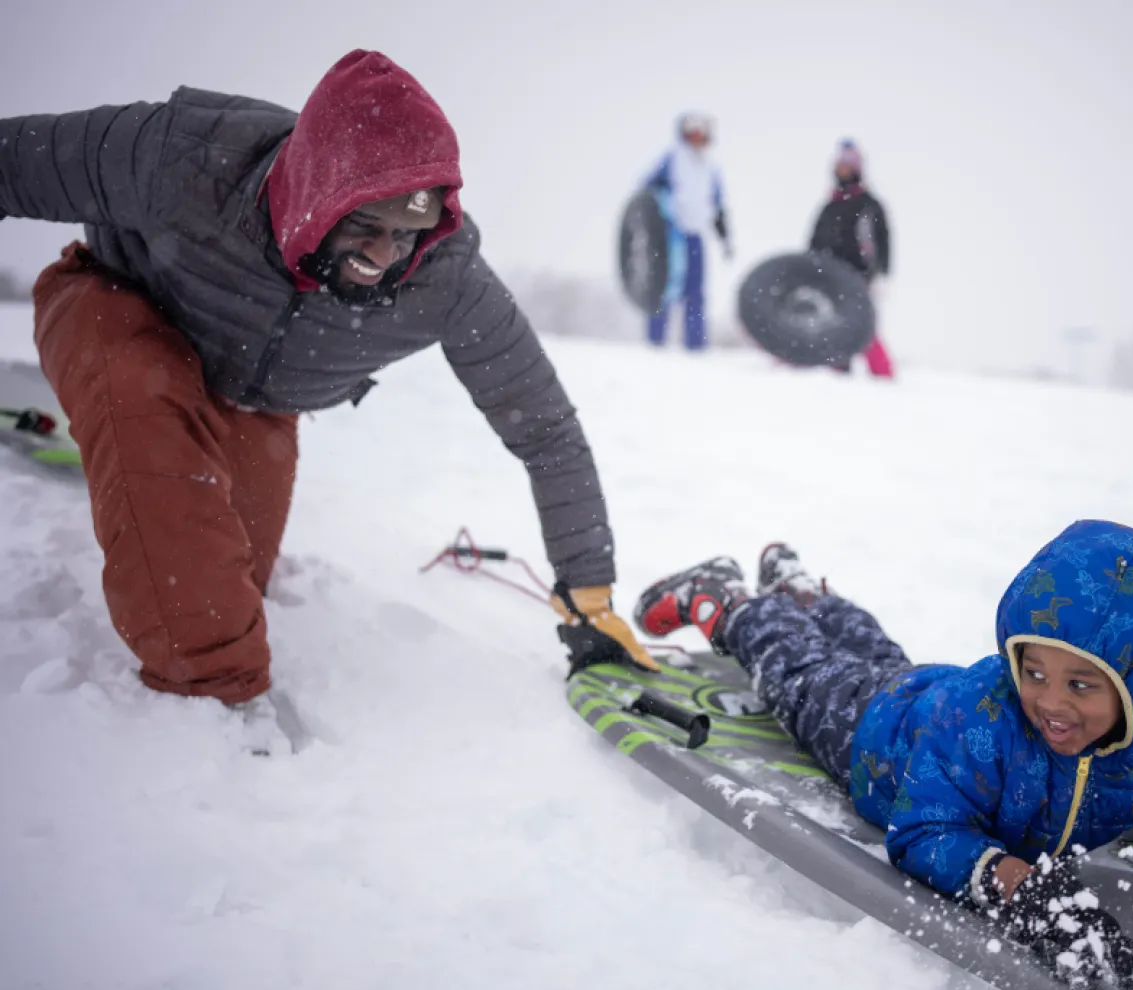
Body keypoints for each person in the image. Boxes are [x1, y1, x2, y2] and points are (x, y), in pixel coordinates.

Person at [0, 49, 655, 718]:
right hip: (118, 304)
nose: (382, 256)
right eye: (364, 227)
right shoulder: (187, 156)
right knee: (190, 597)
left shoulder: (446, 278)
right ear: (314, 190)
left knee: (233, 572)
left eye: (406, 234)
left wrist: (589, 596)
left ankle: (159, 456)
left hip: (251, 399)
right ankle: (214, 704)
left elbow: (545, 430)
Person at [631, 521, 1133, 987]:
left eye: (1082, 683)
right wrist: (1022, 888)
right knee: (800, 670)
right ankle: (726, 600)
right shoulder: (987, 719)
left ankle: (799, 586)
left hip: (926, 691)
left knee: (876, 651)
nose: (1050, 701)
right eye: (1033, 671)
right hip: (878, 737)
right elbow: (921, 833)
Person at [641, 112, 732, 350]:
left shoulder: (711, 167)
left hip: (695, 236)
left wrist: (725, 239)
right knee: (663, 287)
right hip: (670, 236)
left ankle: (695, 346)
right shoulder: (672, 159)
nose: (697, 136)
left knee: (696, 293)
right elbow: (646, 191)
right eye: (692, 131)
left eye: (701, 132)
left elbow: (717, 206)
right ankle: (655, 341)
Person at [809, 139, 894, 378]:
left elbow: (883, 241)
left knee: (863, 327)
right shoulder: (830, 206)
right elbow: (815, 241)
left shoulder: (869, 205)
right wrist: (809, 270)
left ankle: (883, 375)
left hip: (860, 276)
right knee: (835, 324)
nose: (843, 172)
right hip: (830, 276)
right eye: (840, 167)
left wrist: (881, 273)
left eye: (848, 167)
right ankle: (839, 372)